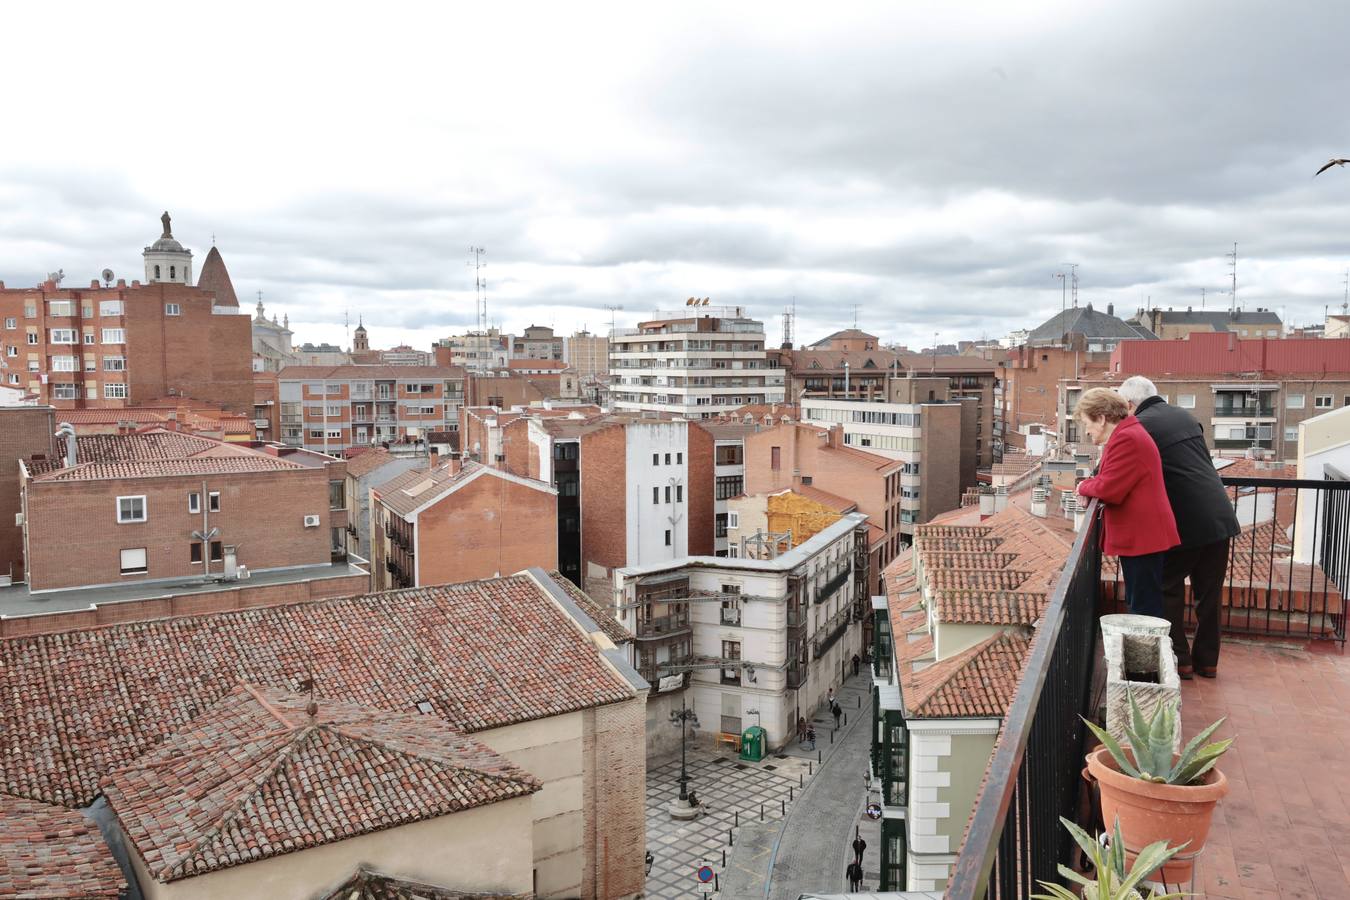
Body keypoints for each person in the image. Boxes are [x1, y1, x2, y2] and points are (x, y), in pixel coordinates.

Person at [1119, 376, 1240, 679]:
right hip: (1220, 516)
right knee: (1208, 595)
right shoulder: (1185, 417)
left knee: (1166, 587)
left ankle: (1180, 659)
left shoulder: (1140, 426)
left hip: (1186, 519)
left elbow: (1117, 468)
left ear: (1131, 404)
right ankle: (1208, 662)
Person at [1075, 388, 1180, 618]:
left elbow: (1109, 488)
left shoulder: (1126, 438)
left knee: (1143, 607)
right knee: (1142, 601)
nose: (1086, 429)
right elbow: (1110, 479)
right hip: (1144, 536)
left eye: (1086, 422)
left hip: (1144, 537)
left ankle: (1143, 653)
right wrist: (1093, 484)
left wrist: (1083, 487)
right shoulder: (1129, 433)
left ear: (1101, 418)